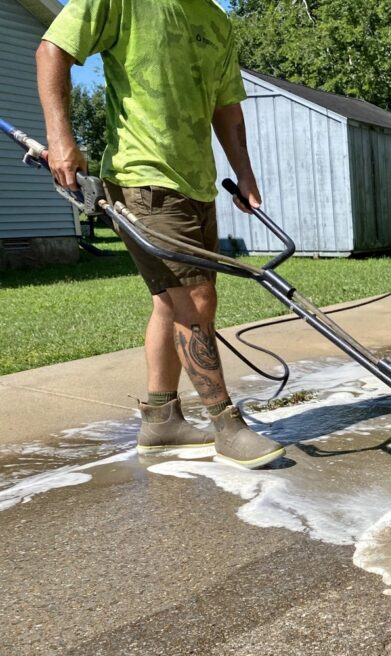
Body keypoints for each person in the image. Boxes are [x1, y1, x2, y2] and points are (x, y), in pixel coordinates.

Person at [36, 0, 284, 469]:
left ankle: (162, 420)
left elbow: (226, 105)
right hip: (142, 179)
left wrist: (245, 172)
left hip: (198, 184)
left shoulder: (215, 20)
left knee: (170, 302)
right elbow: (53, 49)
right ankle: (226, 425)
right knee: (197, 298)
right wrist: (61, 139)